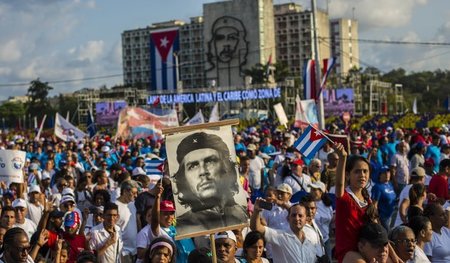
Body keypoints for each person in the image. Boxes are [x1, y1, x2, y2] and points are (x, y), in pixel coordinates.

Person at [172, 132, 247, 235]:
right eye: (193, 166)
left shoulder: (244, 214)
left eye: (210, 161)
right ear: (184, 178)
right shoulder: (182, 226)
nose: (203, 172)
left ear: (226, 168)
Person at [251, 201, 317, 263]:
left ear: (306, 219)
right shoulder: (279, 236)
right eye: (293, 215)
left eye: (300, 216)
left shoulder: (310, 241)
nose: (297, 218)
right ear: (288, 218)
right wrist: (256, 211)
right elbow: (256, 228)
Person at [115, 180, 139, 262]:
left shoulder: (133, 204)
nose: (136, 196)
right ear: (125, 191)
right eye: (133, 193)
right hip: (123, 252)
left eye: (136, 193)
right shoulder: (115, 206)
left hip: (135, 251)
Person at [371, 166, 396, 231]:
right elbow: (374, 204)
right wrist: (376, 219)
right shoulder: (377, 187)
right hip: (382, 217)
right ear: (380, 175)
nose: (387, 174)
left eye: (388, 172)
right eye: (384, 173)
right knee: (387, 235)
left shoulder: (390, 184)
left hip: (391, 215)